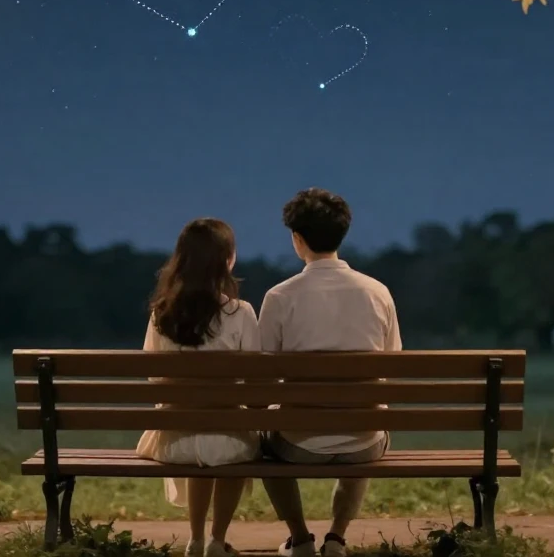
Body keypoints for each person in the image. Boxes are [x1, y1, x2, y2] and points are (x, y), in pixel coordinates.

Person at [257, 188, 402, 557]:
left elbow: (261, 378)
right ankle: (336, 538)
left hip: (298, 444)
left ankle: (300, 539)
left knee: (261, 439)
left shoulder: (279, 297)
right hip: (363, 443)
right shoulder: (378, 292)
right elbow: (390, 365)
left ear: (297, 239)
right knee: (370, 418)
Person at [135, 218, 260, 557]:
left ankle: (195, 538)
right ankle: (217, 540)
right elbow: (257, 382)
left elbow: (154, 378)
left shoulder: (161, 315)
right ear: (227, 260)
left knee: (201, 435)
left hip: (174, 441)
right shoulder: (241, 313)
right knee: (229, 444)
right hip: (230, 439)